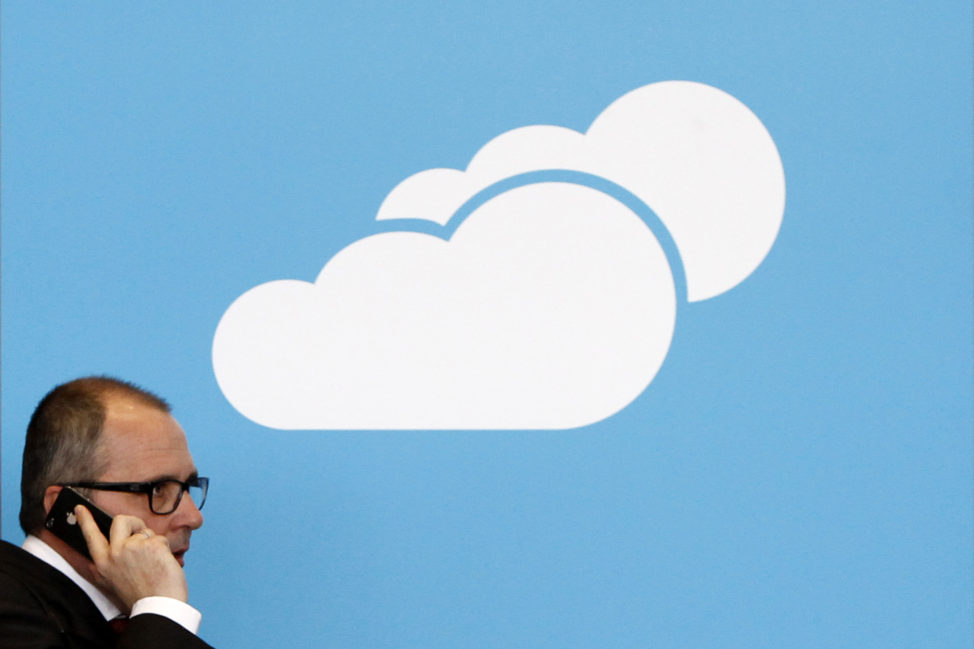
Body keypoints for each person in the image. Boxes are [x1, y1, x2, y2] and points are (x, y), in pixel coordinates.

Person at [0, 376, 215, 648]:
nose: (194, 517)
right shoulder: (9, 608)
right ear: (67, 506)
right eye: (158, 489)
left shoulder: (134, 626)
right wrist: (163, 610)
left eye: (188, 487)